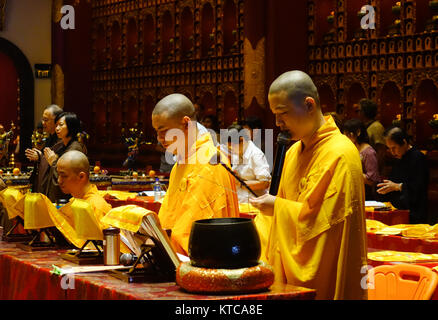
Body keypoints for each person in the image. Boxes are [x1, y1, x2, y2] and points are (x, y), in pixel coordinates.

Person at [249, 70, 368, 300]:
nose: (277, 123)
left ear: (309, 105)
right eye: (274, 115)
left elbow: (328, 227)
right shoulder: (293, 152)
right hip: (288, 272)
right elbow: (282, 218)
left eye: (282, 114)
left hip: (325, 275)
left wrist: (278, 207)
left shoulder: (341, 154)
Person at [152, 93, 239, 255]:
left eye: (164, 131)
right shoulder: (181, 162)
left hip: (203, 261)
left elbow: (193, 230)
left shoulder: (208, 162)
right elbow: (168, 216)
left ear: (186, 124)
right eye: (157, 132)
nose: (160, 139)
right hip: (175, 255)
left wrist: (163, 247)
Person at [47, 150, 113, 249]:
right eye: (59, 175)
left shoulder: (96, 206)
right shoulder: (75, 202)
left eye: (64, 175)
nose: (59, 180)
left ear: (81, 176)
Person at [377, 126, 429, 224]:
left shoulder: (418, 158)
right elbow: (393, 182)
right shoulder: (399, 158)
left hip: (414, 214)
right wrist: (386, 188)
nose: (392, 152)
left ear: (404, 143)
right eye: (389, 149)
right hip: (398, 211)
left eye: (394, 148)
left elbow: (418, 188)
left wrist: (398, 186)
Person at [44, 112, 85, 202]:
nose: (57, 128)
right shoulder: (61, 146)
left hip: (68, 198)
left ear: (71, 126)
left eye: (61, 125)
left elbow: (68, 175)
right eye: (56, 125)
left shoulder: (75, 148)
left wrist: (54, 162)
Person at [225, 124, 271, 203]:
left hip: (254, 202)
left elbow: (265, 183)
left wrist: (241, 183)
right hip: (240, 200)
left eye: (232, 147)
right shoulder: (237, 153)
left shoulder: (255, 155)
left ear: (242, 140)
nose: (231, 150)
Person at [25, 105, 63, 194]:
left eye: (46, 120)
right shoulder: (49, 139)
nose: (43, 123)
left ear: (57, 121)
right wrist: (38, 156)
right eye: (43, 119)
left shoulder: (62, 141)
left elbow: (58, 163)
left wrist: (40, 157)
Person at [343, 118, 380, 200]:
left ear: (358, 132)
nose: (345, 137)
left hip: (366, 195)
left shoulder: (368, 152)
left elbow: (372, 180)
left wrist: (352, 171)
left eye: (347, 134)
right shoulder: (352, 148)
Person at [359, 98, 386, 175]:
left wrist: (375, 171)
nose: (358, 114)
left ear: (364, 112)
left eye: (359, 111)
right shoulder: (365, 126)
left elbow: (381, 152)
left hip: (373, 171)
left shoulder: (376, 127)